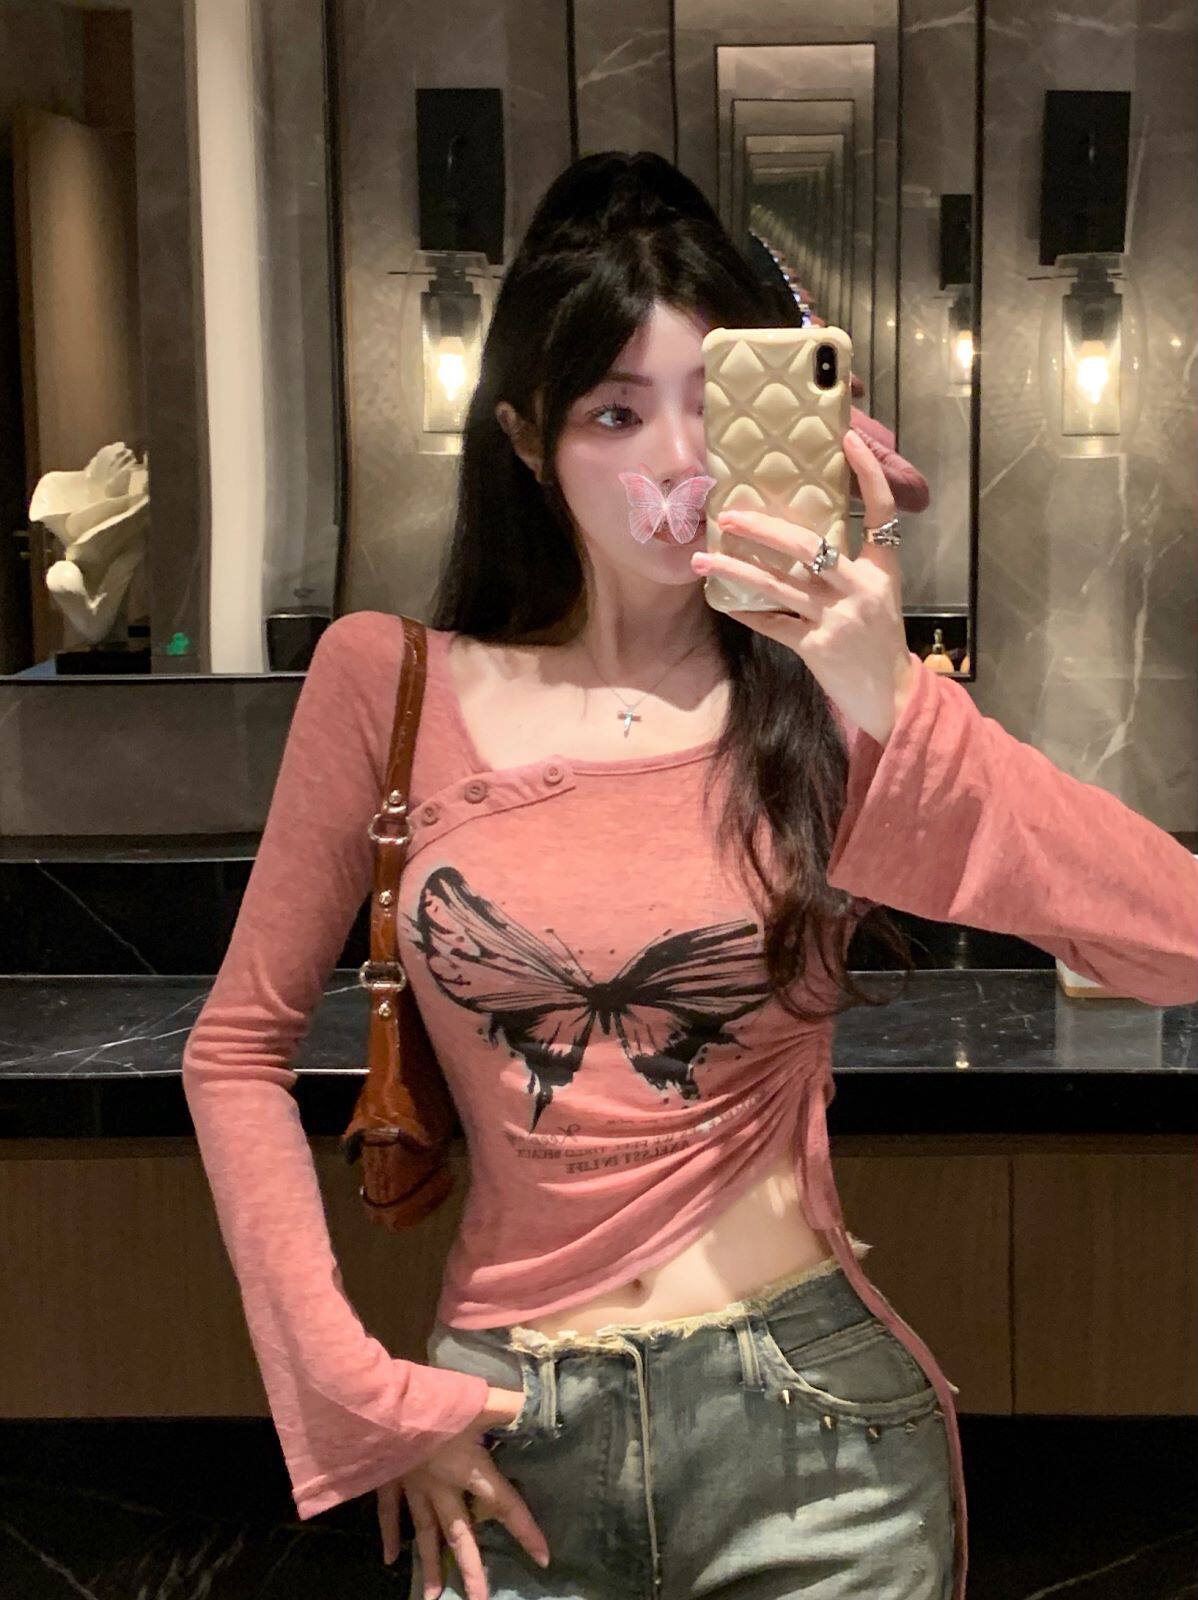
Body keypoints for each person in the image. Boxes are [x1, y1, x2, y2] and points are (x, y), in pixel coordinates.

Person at [180, 151, 1198, 1600]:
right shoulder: (387, 682)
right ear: (527, 440)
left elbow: (1173, 938)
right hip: (507, 1439)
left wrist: (890, 689)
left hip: (821, 1454)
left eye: (717, 405)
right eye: (615, 412)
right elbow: (235, 1051)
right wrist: (357, 1390)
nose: (679, 459)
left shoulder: (826, 703)